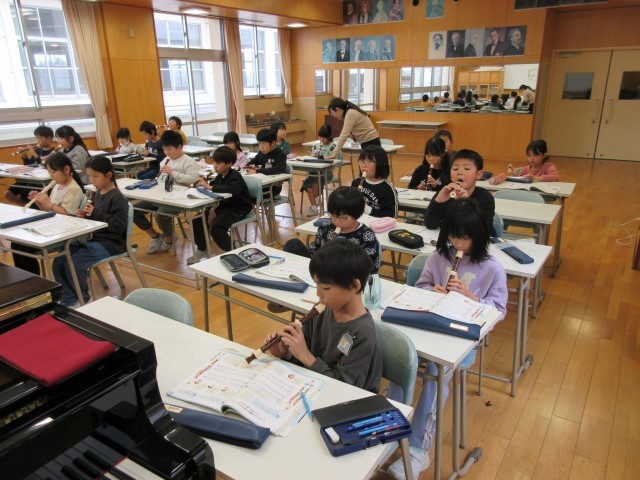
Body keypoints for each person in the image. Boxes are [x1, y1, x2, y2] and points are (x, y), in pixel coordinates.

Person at [386, 199, 507, 479]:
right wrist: (433, 292)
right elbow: (421, 286)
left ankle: (419, 448)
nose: (457, 243)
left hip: (461, 340)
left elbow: (499, 310)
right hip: (427, 328)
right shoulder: (439, 256)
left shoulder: (492, 267)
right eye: (452, 236)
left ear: (478, 235)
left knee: (436, 371)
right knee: (398, 357)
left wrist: (471, 298)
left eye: (464, 238)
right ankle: (390, 428)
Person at [264, 239, 382, 392]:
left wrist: (305, 355)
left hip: (348, 398)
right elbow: (303, 361)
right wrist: (286, 353)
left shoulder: (362, 332)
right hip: (313, 386)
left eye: (326, 288)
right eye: (317, 285)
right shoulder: (321, 311)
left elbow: (343, 389)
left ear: (354, 286)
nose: (318, 294)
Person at [53, 155, 128, 308]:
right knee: (59, 261)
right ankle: (68, 297)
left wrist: (95, 213)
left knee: (74, 264)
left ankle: (81, 299)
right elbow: (95, 217)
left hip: (109, 243)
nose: (92, 180)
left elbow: (118, 226)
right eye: (89, 176)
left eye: (95, 176)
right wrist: (85, 215)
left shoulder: (117, 198)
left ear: (108, 175)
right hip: (92, 239)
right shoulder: (97, 193)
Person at [11, 153, 84, 275]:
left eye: (53, 172)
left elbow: (67, 215)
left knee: (25, 248)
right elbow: (48, 210)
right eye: (49, 172)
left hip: (64, 232)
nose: (51, 176)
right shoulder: (57, 185)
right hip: (52, 226)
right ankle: (23, 278)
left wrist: (49, 204)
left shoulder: (74, 189)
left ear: (66, 169)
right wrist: (38, 201)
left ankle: (34, 280)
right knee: (16, 244)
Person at [284, 186, 381, 274]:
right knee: (292, 244)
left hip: (345, 277)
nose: (337, 221)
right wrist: (319, 256)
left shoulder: (367, 236)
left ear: (356, 215)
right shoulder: (326, 226)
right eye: (333, 215)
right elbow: (315, 247)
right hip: (320, 271)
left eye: (343, 218)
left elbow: (371, 267)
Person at [133, 130, 199, 254]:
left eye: (170, 149)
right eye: (164, 149)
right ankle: (155, 236)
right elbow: (160, 179)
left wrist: (172, 172)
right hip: (162, 195)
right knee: (134, 210)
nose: (167, 152)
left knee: (161, 213)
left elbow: (192, 180)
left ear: (179, 147)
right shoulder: (165, 160)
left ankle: (169, 238)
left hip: (180, 198)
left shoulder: (188, 161)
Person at [189, 146, 253, 263]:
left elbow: (231, 190)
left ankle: (234, 253)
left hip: (238, 208)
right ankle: (203, 249)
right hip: (224, 207)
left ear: (229, 164)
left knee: (217, 227)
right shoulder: (219, 176)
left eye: (218, 163)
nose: (214, 166)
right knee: (197, 220)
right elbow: (214, 186)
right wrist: (203, 184)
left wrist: (210, 187)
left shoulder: (235, 176)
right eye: (214, 162)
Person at [424, 149, 496, 236]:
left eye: (467, 168)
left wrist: (466, 204)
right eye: (455, 169)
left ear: (478, 174)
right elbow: (430, 224)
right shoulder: (445, 193)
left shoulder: (485, 197)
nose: (460, 172)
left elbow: (478, 230)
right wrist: (438, 202)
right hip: (450, 240)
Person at [5, 125, 57, 205]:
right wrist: (25, 157)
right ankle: (27, 206)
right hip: (32, 178)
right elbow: (30, 166)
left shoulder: (54, 152)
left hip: (42, 181)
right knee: (8, 193)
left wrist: (35, 155)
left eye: (40, 138)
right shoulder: (38, 150)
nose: (38, 141)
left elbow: (46, 166)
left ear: (49, 139)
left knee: (24, 194)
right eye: (37, 138)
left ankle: (32, 207)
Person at [350, 145, 398, 218]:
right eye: (361, 161)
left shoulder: (387, 190)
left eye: (368, 161)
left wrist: (367, 209)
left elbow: (391, 216)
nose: (363, 165)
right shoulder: (356, 183)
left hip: (377, 224)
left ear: (380, 164)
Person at [303, 124, 336, 217]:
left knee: (310, 182)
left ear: (329, 136)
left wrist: (324, 157)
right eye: (320, 137)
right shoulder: (316, 145)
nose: (322, 140)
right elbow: (312, 158)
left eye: (324, 138)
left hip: (327, 172)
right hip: (315, 171)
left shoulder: (333, 146)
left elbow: (334, 159)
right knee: (310, 184)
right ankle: (315, 202)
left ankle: (315, 205)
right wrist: (314, 156)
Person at [246, 127, 287, 196]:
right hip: (260, 184)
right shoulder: (261, 153)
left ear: (273, 143)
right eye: (259, 143)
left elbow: (278, 169)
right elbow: (251, 162)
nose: (261, 147)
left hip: (273, 187)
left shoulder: (280, 154)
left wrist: (257, 171)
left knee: (249, 196)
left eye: (264, 143)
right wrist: (250, 166)